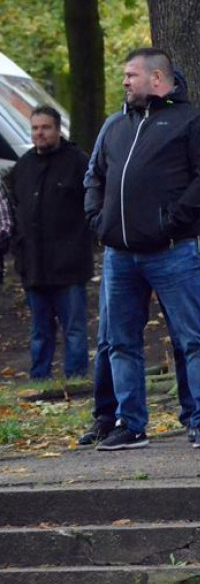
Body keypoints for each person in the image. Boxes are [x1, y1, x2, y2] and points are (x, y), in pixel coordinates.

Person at [77, 76, 200, 446]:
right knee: (117, 339)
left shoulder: (190, 123)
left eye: (133, 75)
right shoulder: (116, 125)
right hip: (120, 252)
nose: (125, 81)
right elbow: (95, 176)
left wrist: (174, 221)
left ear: (161, 81)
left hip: (172, 251)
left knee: (190, 337)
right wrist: (100, 221)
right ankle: (123, 421)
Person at [5, 106, 91, 380]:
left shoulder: (78, 163)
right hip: (33, 265)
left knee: (74, 328)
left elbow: (94, 206)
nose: (39, 133)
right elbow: (13, 211)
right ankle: (39, 378)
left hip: (70, 264)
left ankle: (76, 379)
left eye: (45, 127)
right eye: (35, 128)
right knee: (39, 330)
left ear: (58, 129)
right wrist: (19, 249)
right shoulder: (23, 167)